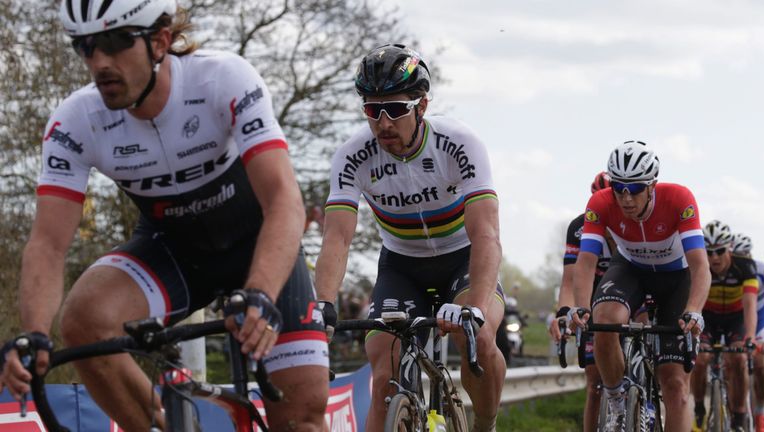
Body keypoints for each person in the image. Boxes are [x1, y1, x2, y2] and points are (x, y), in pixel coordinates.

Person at [0, 1, 328, 430]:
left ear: (160, 41)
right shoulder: (76, 121)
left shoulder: (222, 79)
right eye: (86, 47)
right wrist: (35, 333)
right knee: (83, 319)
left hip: (258, 249)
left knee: (301, 417)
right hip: (175, 255)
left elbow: (284, 201)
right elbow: (47, 243)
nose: (99, 62)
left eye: (116, 42)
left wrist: (262, 292)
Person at [314, 44, 505, 432]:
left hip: (461, 259)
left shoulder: (459, 143)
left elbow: (486, 234)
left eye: (396, 109)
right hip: (401, 266)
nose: (383, 123)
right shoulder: (353, 155)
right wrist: (324, 305)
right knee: (383, 373)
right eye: (372, 110)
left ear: (422, 106)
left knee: (479, 341)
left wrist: (478, 306)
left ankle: (486, 423)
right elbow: (337, 238)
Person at [570, 140, 710, 432]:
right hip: (631, 269)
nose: (626, 198)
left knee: (674, 384)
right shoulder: (601, 203)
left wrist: (694, 310)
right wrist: (580, 307)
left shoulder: (679, 198)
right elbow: (585, 262)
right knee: (604, 319)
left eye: (634, 189)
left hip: (675, 279)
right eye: (618, 187)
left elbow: (700, 265)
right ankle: (617, 401)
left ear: (652, 186)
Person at [548, 170, 613, 432]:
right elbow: (569, 281)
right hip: (593, 296)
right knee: (595, 385)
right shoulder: (579, 227)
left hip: (633, 296)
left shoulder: (632, 225)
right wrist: (563, 312)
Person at [688, 222, 758, 432]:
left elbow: (750, 305)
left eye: (719, 251)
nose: (714, 258)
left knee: (738, 359)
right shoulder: (700, 265)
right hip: (709, 317)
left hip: (735, 318)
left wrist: (751, 337)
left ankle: (738, 415)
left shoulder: (744, 266)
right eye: (709, 252)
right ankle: (699, 408)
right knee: (699, 360)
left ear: (729, 248)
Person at [733, 232, 764, 431]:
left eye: (745, 254)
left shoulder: (763, 269)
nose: (743, 258)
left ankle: (761, 413)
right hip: (739, 314)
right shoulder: (729, 270)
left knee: (761, 364)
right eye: (738, 254)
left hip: (761, 313)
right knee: (733, 361)